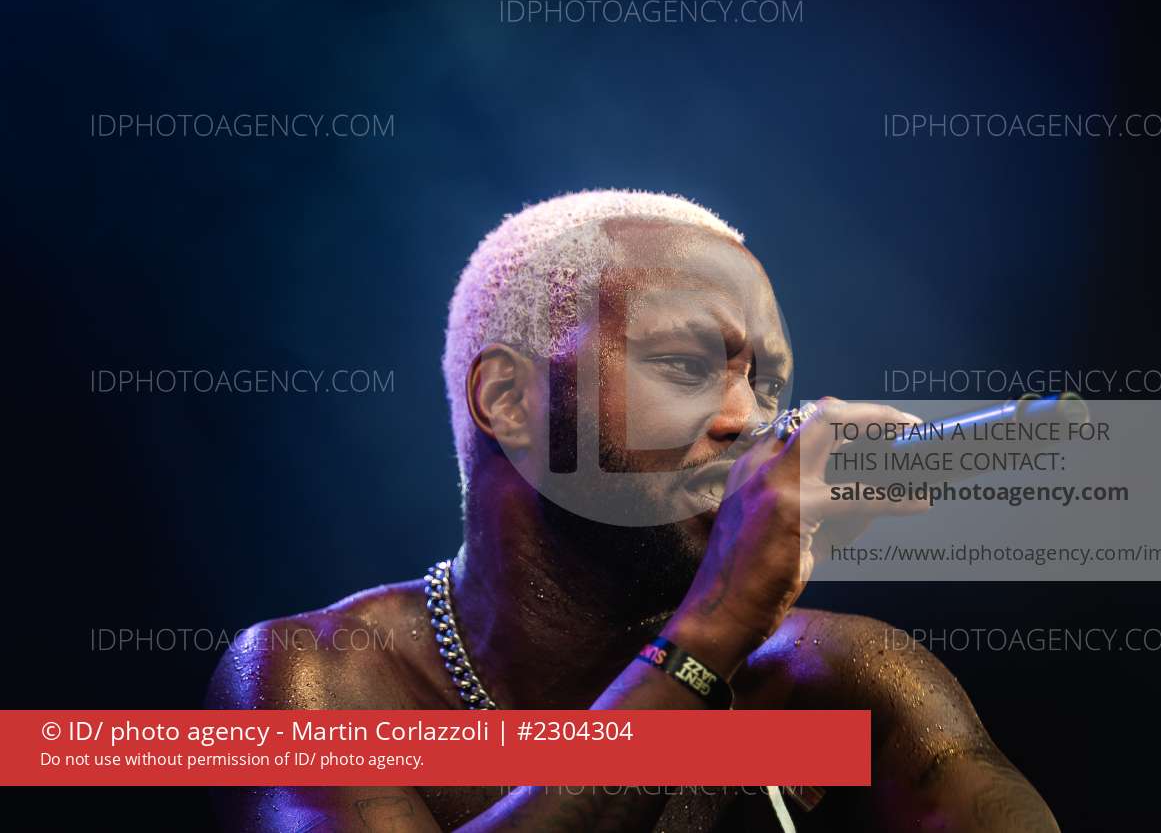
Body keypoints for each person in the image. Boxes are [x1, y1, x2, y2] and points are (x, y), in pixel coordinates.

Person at [208, 190, 1059, 832]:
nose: (750, 420)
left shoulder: (828, 678)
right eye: (687, 366)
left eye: (766, 384)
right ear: (509, 400)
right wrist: (711, 635)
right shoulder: (321, 679)